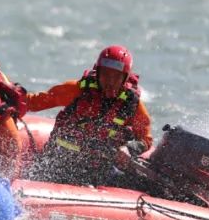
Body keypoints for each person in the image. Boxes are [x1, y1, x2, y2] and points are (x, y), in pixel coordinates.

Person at [25, 44, 153, 187]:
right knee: (35, 174)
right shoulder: (78, 90)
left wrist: (129, 148)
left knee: (142, 184)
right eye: (105, 75)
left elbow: (145, 139)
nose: (109, 82)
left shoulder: (131, 105)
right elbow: (34, 102)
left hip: (99, 169)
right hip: (60, 161)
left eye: (115, 77)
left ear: (124, 78)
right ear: (97, 72)